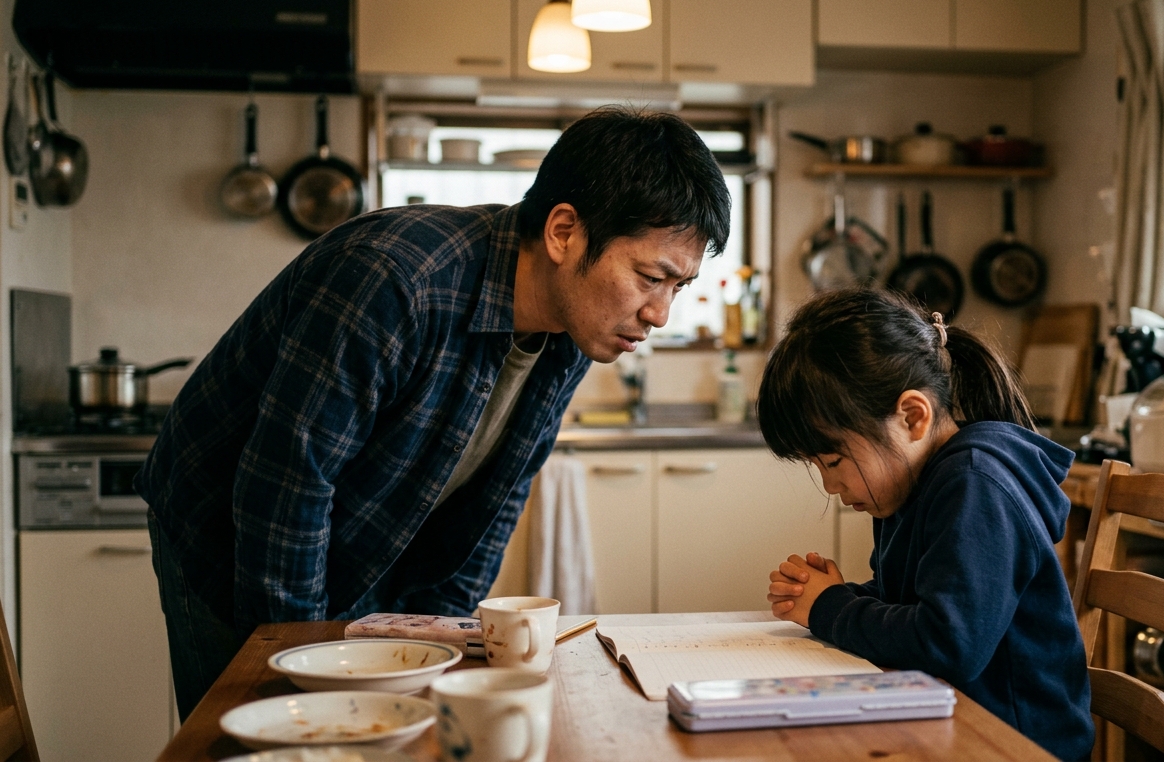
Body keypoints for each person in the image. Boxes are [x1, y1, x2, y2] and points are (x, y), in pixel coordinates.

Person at [135, 106, 731, 720]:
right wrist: (301, 665)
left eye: (677, 287)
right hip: (225, 532)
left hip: (360, 541)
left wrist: (436, 639)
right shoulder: (394, 279)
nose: (659, 314)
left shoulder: (575, 328)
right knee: (261, 732)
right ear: (563, 233)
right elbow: (290, 482)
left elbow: (494, 500)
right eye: (649, 277)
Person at [757, 287, 1094, 762]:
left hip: (1015, 744)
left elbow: (947, 642)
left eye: (833, 460)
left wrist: (829, 608)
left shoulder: (977, 484)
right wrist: (843, 595)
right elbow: (909, 603)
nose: (830, 485)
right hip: (948, 722)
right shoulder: (914, 485)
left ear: (912, 417)